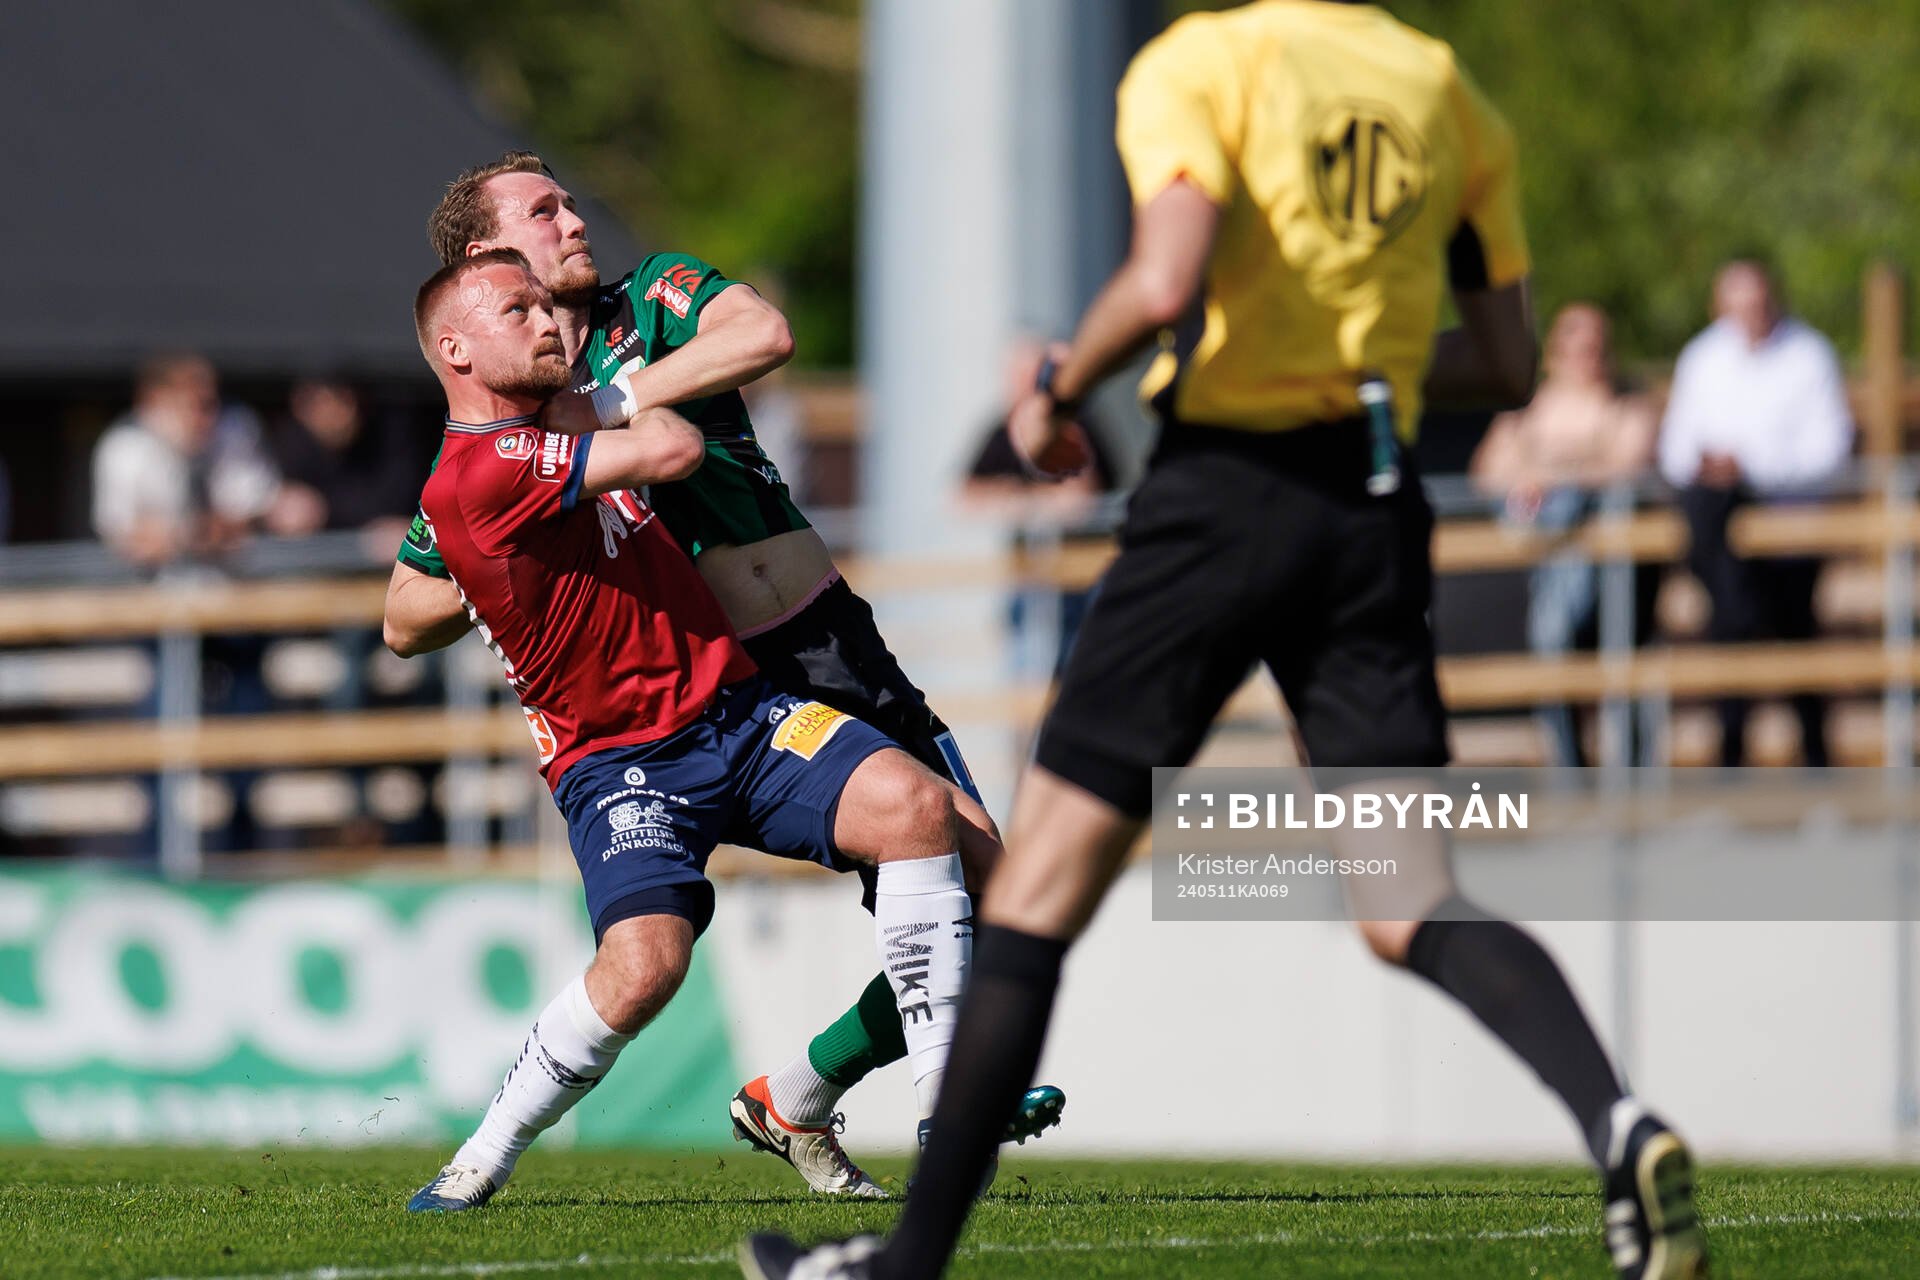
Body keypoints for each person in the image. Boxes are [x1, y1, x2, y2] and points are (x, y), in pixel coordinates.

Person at [743, 4, 1705, 1279]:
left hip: (1223, 498)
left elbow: (1163, 281)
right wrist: (1363, 355)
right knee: (1412, 898)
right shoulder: (1440, 88)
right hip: (1372, 503)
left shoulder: (1202, 64)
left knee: (1035, 895)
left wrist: (1049, 393)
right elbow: (1509, 360)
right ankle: (1619, 1121)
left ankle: (906, 1263)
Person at [383, 154, 1064, 1198]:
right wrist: (509, 564)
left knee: (994, 883)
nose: (572, 219)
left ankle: (806, 1091)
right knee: (674, 949)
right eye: (542, 209)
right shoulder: (502, 429)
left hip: (818, 641)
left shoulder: (645, 304)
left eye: (566, 201)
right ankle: (922, 1096)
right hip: (711, 682)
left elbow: (765, 335)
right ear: (483, 262)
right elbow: (409, 606)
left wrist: (602, 406)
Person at [1658, 259, 1853, 766]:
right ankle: (1730, 780)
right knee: (1731, 649)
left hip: (1789, 531)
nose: (1749, 315)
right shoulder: (1702, 357)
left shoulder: (1809, 356)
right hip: (1724, 538)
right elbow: (1676, 446)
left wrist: (1750, 465)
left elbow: (1829, 449)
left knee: (1795, 650)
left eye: (1757, 302)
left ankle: (1817, 777)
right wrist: (1712, 464)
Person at [1470, 304, 1659, 765]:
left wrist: (1550, 469)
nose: (1584, 358)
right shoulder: (1530, 409)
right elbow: (1489, 471)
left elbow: (1627, 462)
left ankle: (1625, 783)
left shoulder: (1626, 402)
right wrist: (1565, 467)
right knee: (1553, 650)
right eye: (1573, 348)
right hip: (1553, 567)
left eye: (1593, 348)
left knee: (1618, 672)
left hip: (1619, 579)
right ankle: (1571, 773)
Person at [92, 352, 284, 567]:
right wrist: (188, 533)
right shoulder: (124, 447)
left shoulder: (236, 429)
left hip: (239, 575)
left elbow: (261, 506)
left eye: (210, 405)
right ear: (153, 402)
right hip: (150, 583)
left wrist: (210, 529)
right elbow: (121, 531)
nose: (205, 419)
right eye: (193, 405)